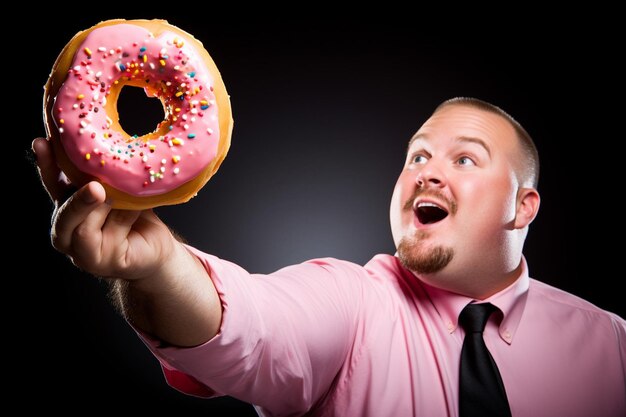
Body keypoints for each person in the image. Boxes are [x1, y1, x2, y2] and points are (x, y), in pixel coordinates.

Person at [33, 97, 626, 417]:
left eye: (465, 159)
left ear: (524, 207)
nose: (427, 174)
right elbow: (252, 327)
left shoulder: (612, 347)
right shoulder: (351, 301)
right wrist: (159, 266)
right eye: (416, 157)